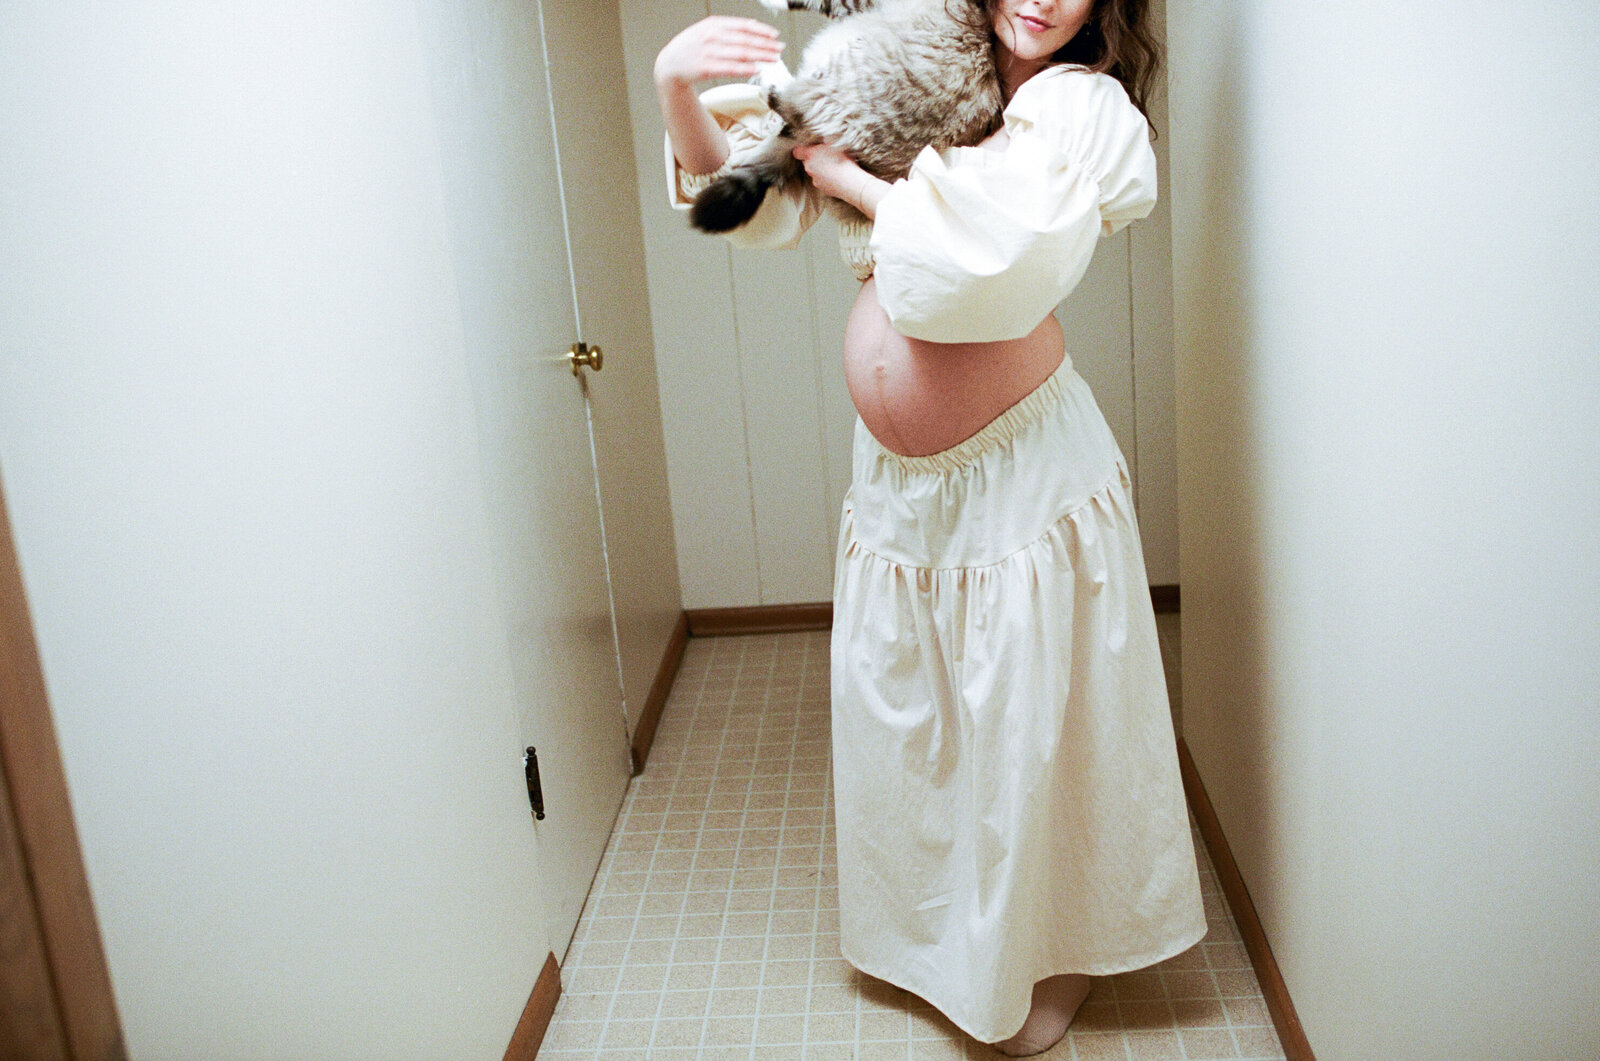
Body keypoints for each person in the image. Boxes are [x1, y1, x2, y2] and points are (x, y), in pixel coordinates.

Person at [654, 1, 1205, 1054]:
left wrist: (856, 183)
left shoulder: (1076, 106)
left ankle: (1050, 952)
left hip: (1022, 485)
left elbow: (988, 273)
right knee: (922, 717)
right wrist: (678, 88)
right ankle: (937, 935)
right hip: (904, 490)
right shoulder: (908, 71)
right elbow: (756, 205)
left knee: (1025, 727)